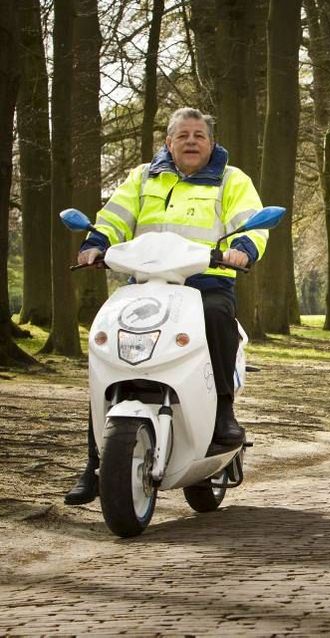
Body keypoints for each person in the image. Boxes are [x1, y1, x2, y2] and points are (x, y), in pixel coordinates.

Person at [64, 107, 268, 505]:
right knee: (107, 343)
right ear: (168, 142)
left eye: (199, 135)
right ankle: (94, 463)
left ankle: (223, 412)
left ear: (212, 143)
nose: (191, 141)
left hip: (206, 280)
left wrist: (242, 248)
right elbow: (115, 217)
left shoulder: (231, 179)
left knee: (217, 317)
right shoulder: (143, 177)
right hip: (145, 283)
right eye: (183, 135)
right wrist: (96, 243)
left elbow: (253, 221)